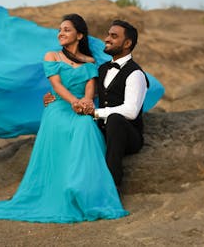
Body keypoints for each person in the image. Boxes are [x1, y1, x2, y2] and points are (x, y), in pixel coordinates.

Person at [0, 14, 127, 223]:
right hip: (59, 107)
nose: (61, 33)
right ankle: (62, 192)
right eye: (60, 29)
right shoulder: (51, 56)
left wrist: (87, 103)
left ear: (79, 35)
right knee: (71, 127)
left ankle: (82, 189)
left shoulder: (90, 61)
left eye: (67, 29)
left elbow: (90, 88)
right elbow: (57, 86)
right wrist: (74, 102)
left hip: (82, 108)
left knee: (85, 127)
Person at [45, 19, 148, 192]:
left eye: (114, 36)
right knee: (82, 127)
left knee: (115, 119)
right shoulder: (103, 69)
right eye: (108, 34)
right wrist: (53, 97)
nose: (107, 38)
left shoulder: (135, 73)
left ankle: (112, 184)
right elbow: (89, 91)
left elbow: (131, 111)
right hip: (103, 130)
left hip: (127, 135)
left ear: (127, 43)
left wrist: (96, 112)